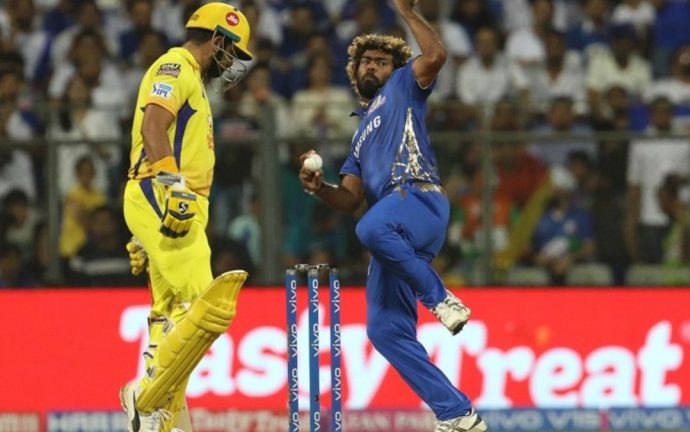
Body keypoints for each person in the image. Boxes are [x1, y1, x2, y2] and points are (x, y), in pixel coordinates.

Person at [298, 1, 487, 430]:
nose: (372, 66)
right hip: (394, 233)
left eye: (382, 61)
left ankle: (440, 298)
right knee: (384, 330)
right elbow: (350, 200)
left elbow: (435, 55)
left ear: (396, 69)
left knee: (370, 226)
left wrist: (408, 13)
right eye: (366, 61)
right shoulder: (359, 137)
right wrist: (318, 188)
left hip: (418, 200)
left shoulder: (405, 85)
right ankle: (457, 414)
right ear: (355, 71)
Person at [119, 3, 252, 432]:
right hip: (166, 195)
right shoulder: (175, 66)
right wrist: (173, 190)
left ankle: (160, 416)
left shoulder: (191, 77)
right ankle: (146, 394)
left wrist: (147, 231)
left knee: (169, 313)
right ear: (218, 40)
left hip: (167, 201)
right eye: (233, 52)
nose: (232, 64)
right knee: (206, 308)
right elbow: (153, 127)